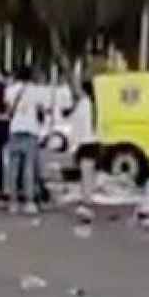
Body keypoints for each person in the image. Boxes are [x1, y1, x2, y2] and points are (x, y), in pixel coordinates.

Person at [3, 65, 54, 215]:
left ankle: (13, 202)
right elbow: (43, 110)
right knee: (28, 167)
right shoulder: (36, 91)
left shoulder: (10, 90)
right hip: (31, 130)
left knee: (13, 168)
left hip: (15, 130)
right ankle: (29, 201)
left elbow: (8, 111)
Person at [65, 78, 101, 212]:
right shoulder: (95, 104)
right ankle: (88, 196)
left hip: (84, 142)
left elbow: (76, 124)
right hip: (94, 141)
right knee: (90, 172)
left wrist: (73, 144)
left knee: (85, 172)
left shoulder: (83, 104)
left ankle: (86, 199)